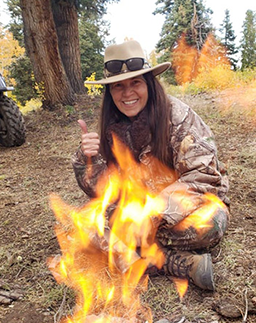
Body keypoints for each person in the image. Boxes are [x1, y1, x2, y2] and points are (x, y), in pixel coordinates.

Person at [72, 40, 230, 291]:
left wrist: (153, 215)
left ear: (149, 83)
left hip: (183, 209)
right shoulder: (109, 127)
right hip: (138, 208)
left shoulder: (179, 117)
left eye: (135, 82)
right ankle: (177, 263)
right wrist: (87, 159)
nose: (127, 94)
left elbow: (202, 178)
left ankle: (129, 254)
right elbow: (102, 191)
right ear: (110, 93)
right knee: (81, 223)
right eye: (118, 86)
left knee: (210, 225)